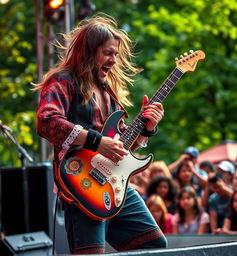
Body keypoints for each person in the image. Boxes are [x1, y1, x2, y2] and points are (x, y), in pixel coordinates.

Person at [34, 15, 167, 254]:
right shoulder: (63, 80)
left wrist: (147, 128)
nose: (114, 60)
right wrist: (97, 142)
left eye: (116, 54)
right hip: (83, 185)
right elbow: (46, 121)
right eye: (108, 53)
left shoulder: (109, 93)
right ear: (88, 51)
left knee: (154, 245)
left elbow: (121, 148)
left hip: (115, 185)